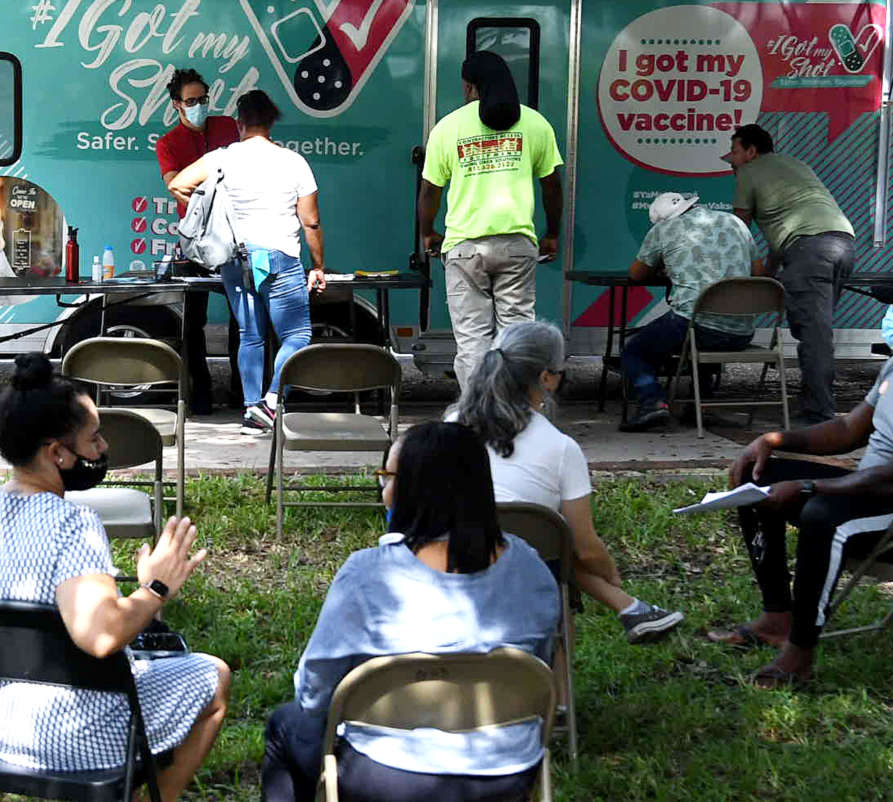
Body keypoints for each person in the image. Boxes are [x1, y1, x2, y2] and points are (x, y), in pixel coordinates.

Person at [0, 352, 231, 796]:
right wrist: (155, 588)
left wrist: (139, 602)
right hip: (73, 735)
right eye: (94, 439)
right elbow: (99, 636)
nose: (102, 451)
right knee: (213, 677)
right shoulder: (73, 524)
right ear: (57, 452)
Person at [262, 422, 559, 801]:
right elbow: (539, 665)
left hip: (386, 773)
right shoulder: (530, 566)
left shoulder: (368, 573)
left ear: (412, 489)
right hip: (506, 774)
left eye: (387, 476)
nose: (383, 487)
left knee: (286, 724)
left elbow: (313, 692)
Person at [708, 265, 893, 687]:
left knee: (823, 515)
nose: (891, 315)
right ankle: (777, 618)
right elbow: (848, 430)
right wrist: (774, 440)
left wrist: (808, 487)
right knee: (759, 477)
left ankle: (800, 654)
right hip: (884, 497)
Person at [452, 321, 685, 643]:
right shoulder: (560, 447)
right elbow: (585, 546)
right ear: (547, 378)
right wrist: (611, 574)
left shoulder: (449, 425)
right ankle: (622, 612)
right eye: (562, 371)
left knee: (528, 531)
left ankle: (632, 609)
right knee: (550, 537)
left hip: (445, 555)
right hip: (527, 567)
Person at [170, 90, 326, 436]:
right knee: (297, 334)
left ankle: (252, 408)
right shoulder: (293, 161)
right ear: (271, 122)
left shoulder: (222, 157)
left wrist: (207, 206)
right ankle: (271, 402)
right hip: (280, 255)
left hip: (236, 257)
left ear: (239, 124)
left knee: (250, 335)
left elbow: (179, 183)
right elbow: (310, 221)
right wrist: (318, 265)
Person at [418, 50, 564, 389]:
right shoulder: (535, 123)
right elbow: (552, 186)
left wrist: (428, 233)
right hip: (516, 246)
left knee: (472, 340)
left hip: (465, 248)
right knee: (516, 337)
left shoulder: (448, 127)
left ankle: (476, 413)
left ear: (470, 87)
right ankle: (520, 411)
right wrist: (552, 233)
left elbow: (429, 190)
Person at [724, 123, 855, 425]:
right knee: (814, 329)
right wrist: (769, 272)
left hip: (811, 251)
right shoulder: (796, 164)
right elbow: (784, 236)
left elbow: (737, 228)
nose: (732, 159)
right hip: (843, 243)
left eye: (735, 152)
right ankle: (813, 401)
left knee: (814, 334)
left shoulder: (749, 171)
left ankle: (818, 413)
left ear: (751, 151)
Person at [619, 192, 766, 431]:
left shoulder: (663, 230)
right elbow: (759, 273)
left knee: (634, 350)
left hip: (695, 325)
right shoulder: (735, 223)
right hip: (741, 330)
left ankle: (652, 402)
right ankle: (701, 406)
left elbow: (636, 274)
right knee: (704, 332)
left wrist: (664, 266)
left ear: (661, 220)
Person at [156, 67, 242, 415]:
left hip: (236, 239)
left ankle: (242, 393)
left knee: (244, 318)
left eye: (203, 99)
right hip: (195, 242)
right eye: (191, 101)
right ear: (177, 104)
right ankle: (200, 393)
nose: (199, 106)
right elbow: (176, 184)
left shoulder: (228, 127)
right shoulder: (169, 143)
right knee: (193, 323)